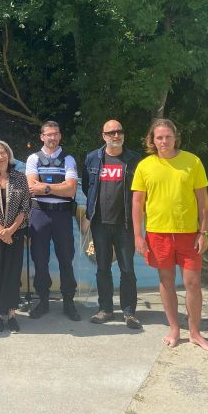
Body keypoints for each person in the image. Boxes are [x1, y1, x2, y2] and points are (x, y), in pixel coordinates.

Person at [132, 119, 208, 352]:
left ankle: (195, 332)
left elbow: (202, 200)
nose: (164, 141)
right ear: (152, 140)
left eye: (168, 136)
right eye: (159, 137)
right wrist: (138, 235)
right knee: (166, 282)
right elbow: (137, 202)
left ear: (175, 137)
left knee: (193, 283)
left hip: (188, 234)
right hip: (158, 233)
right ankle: (174, 329)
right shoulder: (145, 165)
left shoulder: (192, 161)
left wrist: (203, 231)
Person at [82, 120, 142, 329]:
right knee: (102, 269)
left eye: (120, 131)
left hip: (125, 224)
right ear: (103, 135)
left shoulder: (134, 159)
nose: (116, 135)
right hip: (100, 224)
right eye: (111, 132)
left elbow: (140, 191)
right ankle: (105, 309)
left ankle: (129, 312)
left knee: (127, 269)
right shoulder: (92, 158)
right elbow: (87, 187)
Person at [25, 121, 80, 321]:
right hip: (39, 214)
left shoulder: (68, 159)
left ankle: (69, 302)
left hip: (62, 215)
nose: (52, 138)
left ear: (60, 136)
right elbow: (32, 187)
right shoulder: (33, 159)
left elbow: (72, 189)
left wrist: (46, 189)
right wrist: (60, 187)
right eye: (48, 134)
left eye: (56, 134)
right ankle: (43, 301)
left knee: (66, 259)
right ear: (42, 137)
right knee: (40, 259)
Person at [0, 140, 30, 333]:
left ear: (8, 155)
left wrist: (10, 231)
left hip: (15, 233)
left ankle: (11, 314)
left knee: (12, 273)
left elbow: (25, 207)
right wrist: (1, 230)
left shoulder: (20, 177)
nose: (0, 156)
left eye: (3, 153)